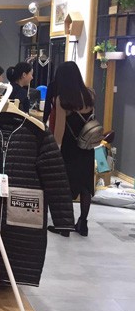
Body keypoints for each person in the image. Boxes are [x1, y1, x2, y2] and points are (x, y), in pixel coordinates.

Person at [49, 61, 95, 237]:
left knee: (65, 186)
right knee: (85, 185)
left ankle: (65, 226)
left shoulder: (62, 99)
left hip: (69, 148)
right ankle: (83, 224)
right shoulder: (90, 94)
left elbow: (59, 130)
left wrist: (54, 150)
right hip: (87, 146)